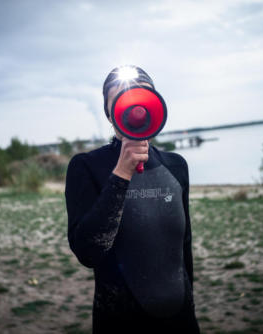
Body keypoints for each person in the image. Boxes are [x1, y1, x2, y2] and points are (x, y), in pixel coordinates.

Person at [65, 65, 200, 334]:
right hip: (120, 322)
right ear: (109, 112)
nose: (134, 104)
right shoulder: (86, 166)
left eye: (142, 94)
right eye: (122, 98)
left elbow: (184, 246)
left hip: (181, 318)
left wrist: (190, 303)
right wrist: (121, 173)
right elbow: (88, 252)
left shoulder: (176, 165)